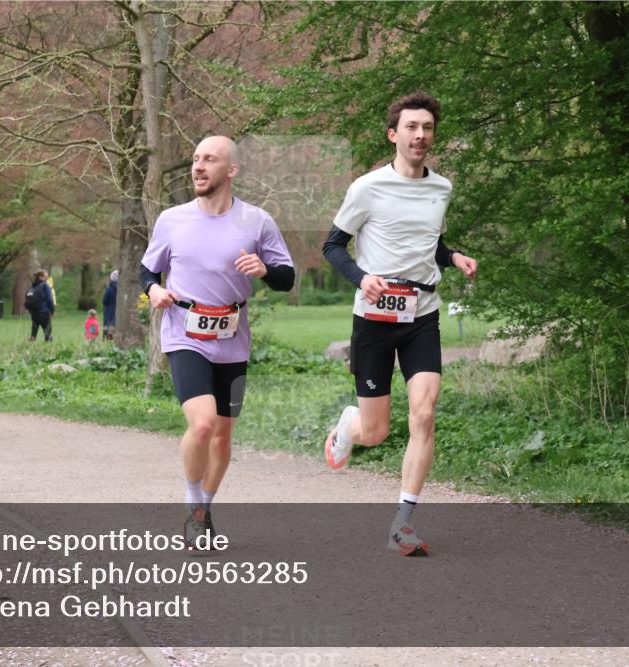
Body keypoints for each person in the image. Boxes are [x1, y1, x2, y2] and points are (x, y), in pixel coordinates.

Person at [322, 92, 478, 556]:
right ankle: (349, 426)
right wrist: (362, 277)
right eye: (411, 127)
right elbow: (333, 246)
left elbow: (428, 243)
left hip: (421, 316)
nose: (420, 135)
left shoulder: (441, 188)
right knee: (377, 432)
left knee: (425, 414)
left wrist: (453, 257)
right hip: (373, 318)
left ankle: (402, 524)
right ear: (394, 134)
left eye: (427, 128)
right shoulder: (367, 188)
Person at [140, 135, 295, 549]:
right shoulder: (172, 219)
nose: (198, 166)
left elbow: (286, 278)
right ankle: (193, 507)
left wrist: (264, 270)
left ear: (232, 170)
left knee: (223, 436)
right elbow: (147, 271)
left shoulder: (257, 221)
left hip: (232, 337)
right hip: (183, 332)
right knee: (203, 423)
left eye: (209, 159)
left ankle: (205, 508)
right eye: (194, 159)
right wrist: (154, 291)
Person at [25, 270, 55, 342]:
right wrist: (52, 310)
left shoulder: (32, 287)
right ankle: (48, 348)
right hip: (44, 313)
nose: (47, 278)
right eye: (46, 276)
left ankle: (30, 344)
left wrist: (31, 312)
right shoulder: (45, 286)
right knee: (47, 332)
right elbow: (50, 300)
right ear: (41, 277)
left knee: (34, 332)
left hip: (34, 313)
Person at [102, 270, 118, 339]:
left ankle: (109, 337)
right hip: (119, 310)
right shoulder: (122, 288)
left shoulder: (109, 289)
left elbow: (104, 301)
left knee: (109, 325)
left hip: (110, 310)